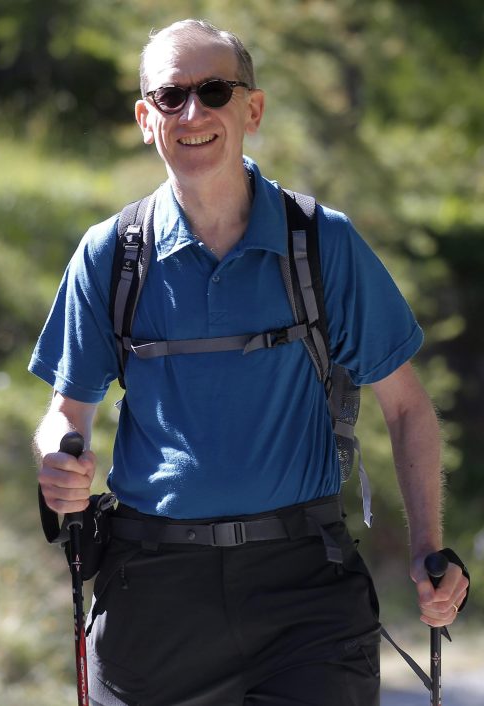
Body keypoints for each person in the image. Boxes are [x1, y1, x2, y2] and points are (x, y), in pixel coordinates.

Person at [30, 19, 469, 706]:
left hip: (305, 595)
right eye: (171, 97)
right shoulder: (111, 253)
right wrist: (60, 458)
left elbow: (407, 407)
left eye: (214, 90)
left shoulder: (322, 243)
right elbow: (65, 411)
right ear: (147, 119)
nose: (193, 113)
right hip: (152, 595)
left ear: (252, 110)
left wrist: (426, 548)